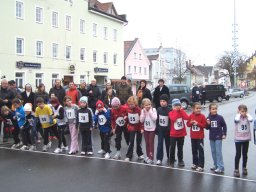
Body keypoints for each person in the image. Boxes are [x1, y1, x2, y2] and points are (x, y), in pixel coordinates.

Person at [206, 103, 227, 174]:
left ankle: (220, 167)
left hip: (218, 136)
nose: (214, 110)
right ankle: (215, 164)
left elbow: (224, 125)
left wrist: (224, 133)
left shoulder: (220, 117)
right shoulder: (208, 118)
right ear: (210, 110)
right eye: (213, 109)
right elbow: (207, 128)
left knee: (218, 152)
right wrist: (208, 124)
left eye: (215, 109)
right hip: (212, 136)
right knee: (213, 151)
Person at [233, 105, 253, 178]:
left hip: (246, 138)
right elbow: (237, 120)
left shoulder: (247, 117)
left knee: (245, 154)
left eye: (244, 111)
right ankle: (236, 169)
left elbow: (251, 119)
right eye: (242, 111)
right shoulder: (237, 117)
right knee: (238, 154)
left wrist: (247, 114)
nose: (243, 113)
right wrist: (239, 114)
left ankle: (244, 167)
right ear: (238, 111)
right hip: (238, 139)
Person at [186, 102, 207, 172]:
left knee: (201, 151)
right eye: (197, 108)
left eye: (199, 108)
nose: (198, 110)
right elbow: (187, 124)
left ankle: (201, 165)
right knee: (194, 151)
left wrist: (198, 124)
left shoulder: (202, 116)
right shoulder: (191, 116)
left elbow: (204, 126)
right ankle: (195, 163)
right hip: (193, 137)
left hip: (200, 137)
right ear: (193, 109)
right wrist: (191, 123)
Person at [168, 98, 189, 167]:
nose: (177, 106)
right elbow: (173, 119)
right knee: (172, 147)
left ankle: (180, 160)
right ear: (173, 106)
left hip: (181, 133)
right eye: (176, 105)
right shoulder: (170, 113)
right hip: (173, 134)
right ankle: (171, 160)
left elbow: (187, 118)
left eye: (179, 105)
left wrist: (181, 110)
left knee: (180, 147)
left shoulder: (181, 112)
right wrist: (176, 111)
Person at [124, 96, 144, 162]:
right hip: (131, 127)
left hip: (138, 127)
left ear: (135, 103)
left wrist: (141, 128)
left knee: (138, 141)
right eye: (129, 104)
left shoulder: (138, 110)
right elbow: (127, 115)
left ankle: (140, 153)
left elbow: (141, 120)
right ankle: (129, 155)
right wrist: (126, 118)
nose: (130, 106)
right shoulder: (128, 109)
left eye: (132, 104)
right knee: (131, 141)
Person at [140, 98, 157, 164]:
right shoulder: (143, 111)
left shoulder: (153, 110)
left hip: (152, 129)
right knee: (147, 143)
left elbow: (155, 118)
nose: (148, 106)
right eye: (146, 105)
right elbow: (141, 120)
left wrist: (150, 112)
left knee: (151, 143)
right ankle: (148, 156)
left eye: (149, 104)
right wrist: (143, 114)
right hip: (146, 129)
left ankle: (151, 157)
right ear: (143, 105)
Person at [156, 94, 171, 165]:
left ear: (167, 102)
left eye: (164, 101)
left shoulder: (170, 110)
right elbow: (157, 120)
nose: (162, 102)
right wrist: (157, 128)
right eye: (161, 101)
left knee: (168, 144)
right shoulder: (158, 109)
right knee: (160, 144)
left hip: (168, 130)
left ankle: (170, 156)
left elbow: (171, 121)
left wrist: (169, 128)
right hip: (160, 130)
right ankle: (159, 158)